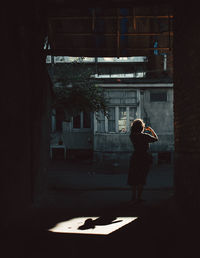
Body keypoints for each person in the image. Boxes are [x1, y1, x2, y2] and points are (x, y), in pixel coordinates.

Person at [128, 118, 158, 204]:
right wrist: (151, 130)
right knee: (141, 178)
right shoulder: (145, 136)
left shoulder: (132, 136)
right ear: (142, 127)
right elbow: (156, 139)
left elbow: (133, 133)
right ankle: (139, 198)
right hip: (144, 158)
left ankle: (133, 197)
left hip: (135, 157)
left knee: (133, 178)